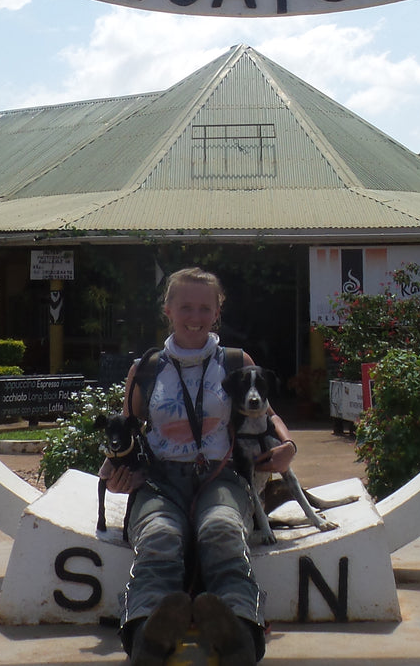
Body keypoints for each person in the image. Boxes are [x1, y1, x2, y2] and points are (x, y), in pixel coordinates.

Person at [103, 267, 294, 666]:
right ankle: (144, 636)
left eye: (205, 308)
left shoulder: (235, 360)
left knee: (222, 530)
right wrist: (117, 475)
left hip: (221, 476)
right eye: (185, 306)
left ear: (217, 312)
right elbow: (128, 429)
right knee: (159, 537)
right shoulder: (147, 368)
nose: (195, 316)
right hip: (159, 482)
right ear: (168, 310)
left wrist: (287, 444)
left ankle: (241, 633)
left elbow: (268, 414)